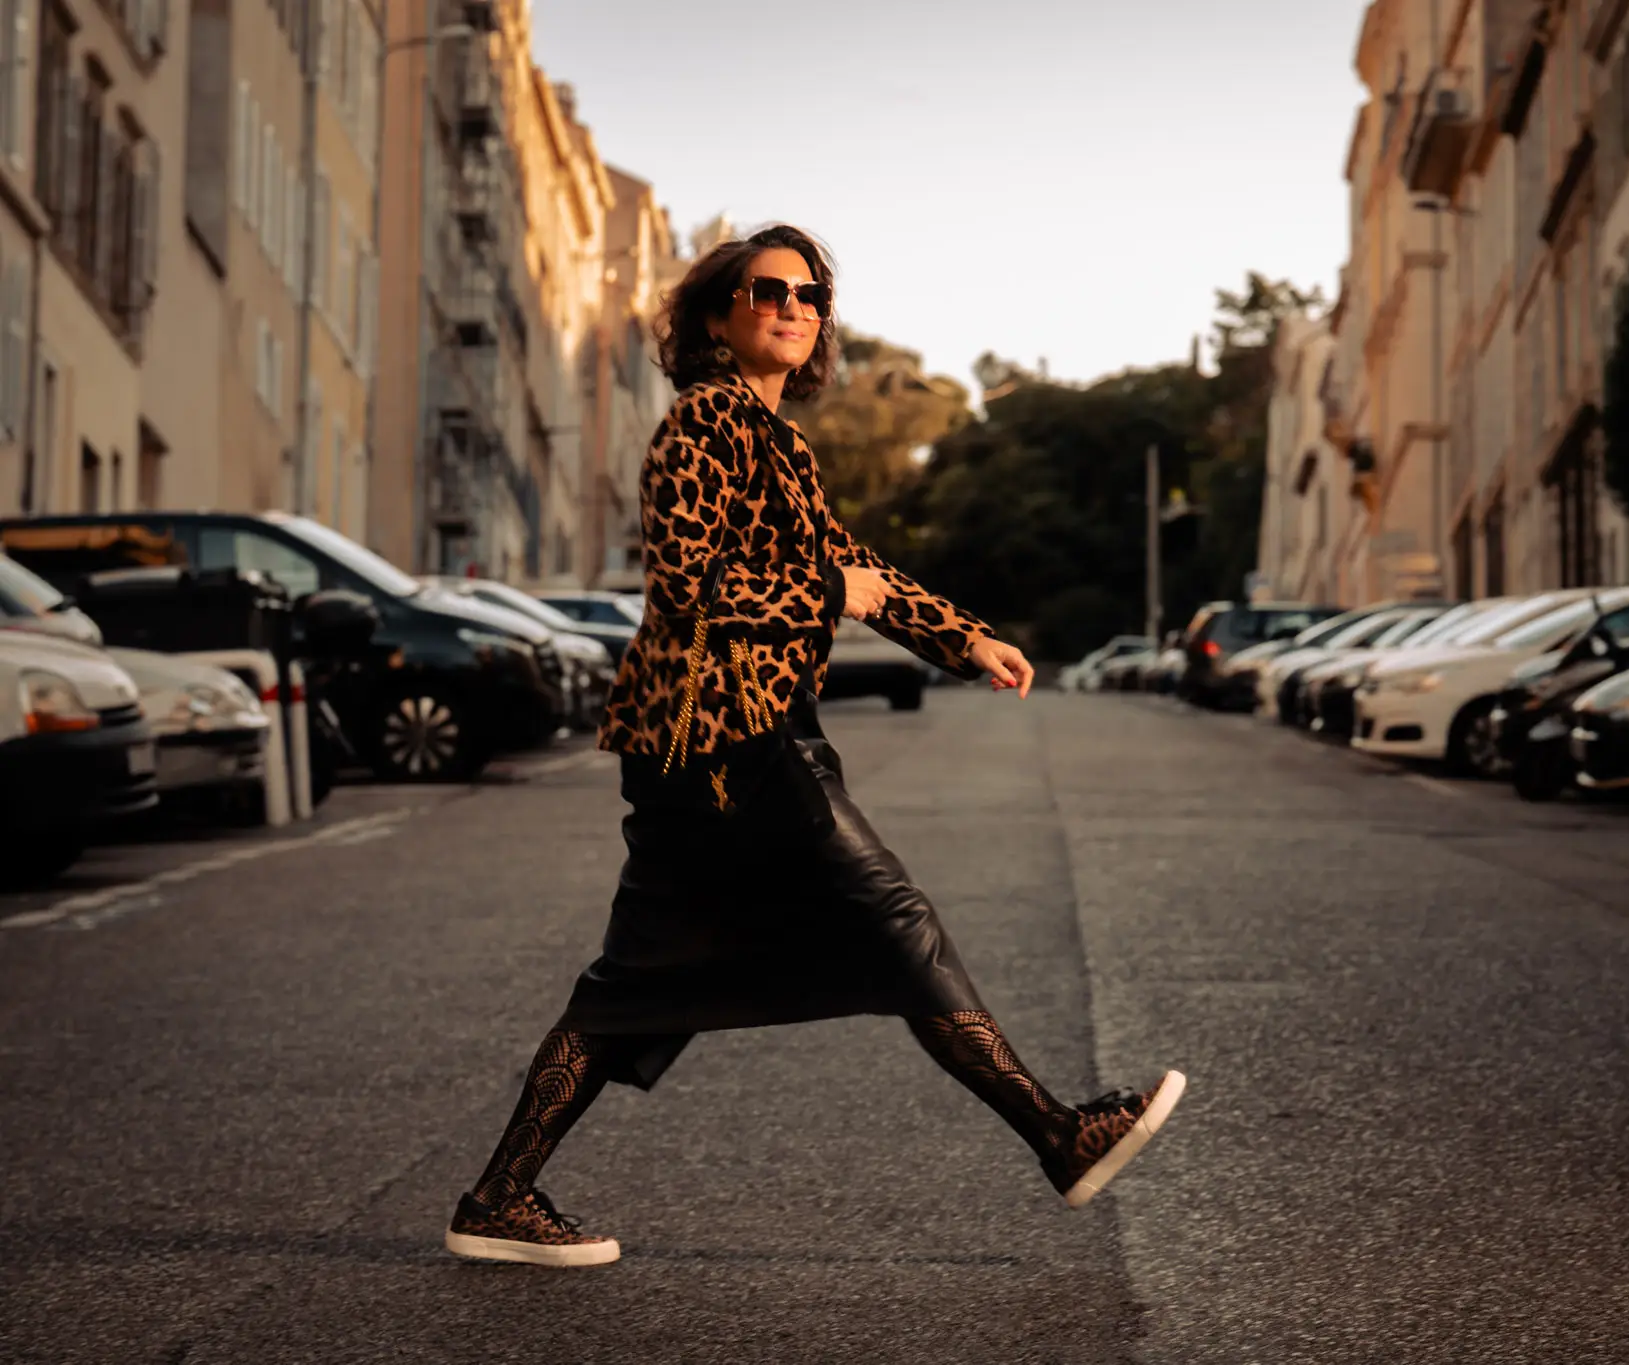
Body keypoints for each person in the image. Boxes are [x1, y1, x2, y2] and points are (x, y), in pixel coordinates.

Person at [445, 224, 1185, 1267]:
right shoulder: (705, 424)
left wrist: (961, 638)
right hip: (726, 732)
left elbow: (853, 562)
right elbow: (691, 589)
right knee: (894, 919)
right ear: (717, 312)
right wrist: (827, 593)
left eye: (811, 296)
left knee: (633, 983)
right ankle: (1059, 1135)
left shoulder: (771, 439)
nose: (794, 307)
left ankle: (497, 1197)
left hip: (700, 740)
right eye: (768, 290)